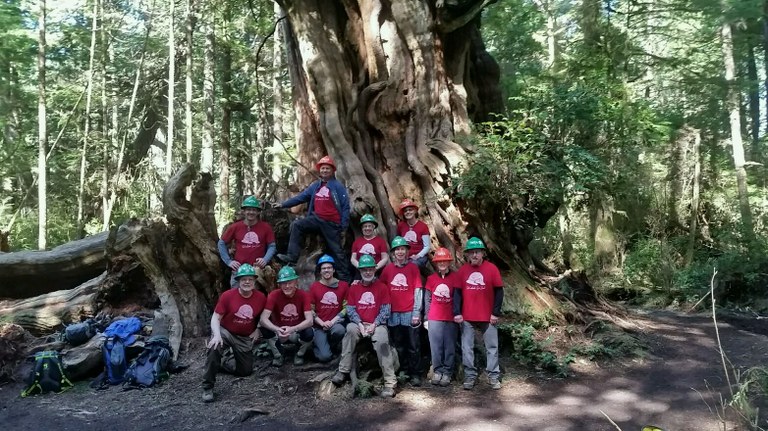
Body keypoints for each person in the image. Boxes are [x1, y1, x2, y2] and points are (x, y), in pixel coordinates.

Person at [331, 255, 398, 398]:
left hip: (377, 324)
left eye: (370, 269)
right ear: (360, 270)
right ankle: (343, 370)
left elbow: (386, 310)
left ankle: (390, 382)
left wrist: (374, 324)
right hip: (359, 324)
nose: (368, 272)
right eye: (365, 270)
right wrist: (360, 324)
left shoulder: (382, 287)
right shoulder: (354, 288)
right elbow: (350, 309)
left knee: (382, 340)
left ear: (374, 269)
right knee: (349, 329)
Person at [274, 156, 350, 281]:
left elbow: (345, 206)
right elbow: (301, 197)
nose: (325, 171)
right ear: (320, 170)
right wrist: (283, 204)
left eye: (327, 168)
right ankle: (292, 257)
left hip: (331, 223)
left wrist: (343, 226)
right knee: (297, 225)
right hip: (316, 219)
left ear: (332, 171)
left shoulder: (337, 186)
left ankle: (345, 279)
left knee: (337, 251)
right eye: (323, 168)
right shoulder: (315, 186)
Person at [202, 264, 266, 402]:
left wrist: (258, 329)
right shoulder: (228, 296)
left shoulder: (261, 297)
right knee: (215, 347)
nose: (247, 282)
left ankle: (222, 363)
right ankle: (208, 387)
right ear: (238, 281)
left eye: (250, 279)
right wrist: (217, 334)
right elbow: (216, 317)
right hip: (226, 331)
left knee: (245, 371)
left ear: (254, 281)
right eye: (243, 279)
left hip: (244, 336)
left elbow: (263, 316)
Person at [454, 237, 504, 390]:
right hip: (467, 316)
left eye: (477, 252)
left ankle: (493, 376)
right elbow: (457, 293)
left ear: (483, 253)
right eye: (471, 253)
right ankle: (470, 375)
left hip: (488, 316)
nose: (474, 255)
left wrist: (495, 313)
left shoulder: (492, 269)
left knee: (492, 346)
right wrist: (457, 312)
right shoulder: (463, 270)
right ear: (467, 255)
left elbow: (499, 292)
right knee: (467, 347)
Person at [379, 236, 424, 386]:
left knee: (413, 345)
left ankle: (415, 373)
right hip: (393, 314)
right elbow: (381, 290)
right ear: (393, 252)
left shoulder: (413, 268)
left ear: (406, 251)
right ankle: (403, 370)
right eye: (397, 249)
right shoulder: (388, 269)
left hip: (410, 312)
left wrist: (416, 312)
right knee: (398, 345)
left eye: (402, 249)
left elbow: (418, 290)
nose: (400, 252)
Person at [259, 266, 314, 366]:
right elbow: (263, 319)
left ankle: (300, 354)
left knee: (309, 332)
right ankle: (278, 355)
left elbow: (310, 320)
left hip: (296, 331)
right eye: (284, 283)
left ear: (296, 282)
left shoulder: (303, 295)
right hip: (279, 331)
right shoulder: (274, 295)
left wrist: (292, 329)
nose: (287, 286)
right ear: (279, 284)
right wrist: (277, 329)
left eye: (290, 282)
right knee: (264, 328)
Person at [218, 196, 276, 289]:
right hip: (239, 269)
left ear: (258, 212)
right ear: (244, 211)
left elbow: (272, 246)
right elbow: (221, 243)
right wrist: (229, 261)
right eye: (248, 209)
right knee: (236, 296)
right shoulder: (235, 227)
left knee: (255, 297)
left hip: (256, 270)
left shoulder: (266, 227)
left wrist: (265, 259)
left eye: (254, 210)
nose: (251, 212)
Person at [424, 247, 458, 386]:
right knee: (436, 346)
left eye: (444, 261)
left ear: (449, 262)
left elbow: (458, 298)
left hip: (451, 317)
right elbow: (427, 299)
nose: (442, 263)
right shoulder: (431, 279)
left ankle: (447, 372)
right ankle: (438, 371)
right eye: (439, 261)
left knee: (449, 346)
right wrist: (426, 318)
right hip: (434, 317)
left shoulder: (456, 277)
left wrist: (458, 314)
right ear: (436, 264)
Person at [309, 254, 349, 362]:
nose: (327, 270)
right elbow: (310, 309)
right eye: (324, 268)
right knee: (325, 357)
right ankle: (317, 346)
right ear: (320, 271)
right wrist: (322, 323)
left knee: (340, 331)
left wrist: (332, 321)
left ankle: (331, 345)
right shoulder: (314, 287)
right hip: (319, 326)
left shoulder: (344, 286)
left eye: (329, 268)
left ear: (334, 269)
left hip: (335, 323)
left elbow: (346, 307)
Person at [396, 199, 431, 267]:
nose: (408, 212)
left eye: (410, 210)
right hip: (404, 256)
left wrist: (417, 256)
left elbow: (427, 246)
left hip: (419, 256)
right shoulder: (401, 225)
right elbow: (398, 242)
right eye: (405, 211)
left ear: (415, 211)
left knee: (412, 265)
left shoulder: (423, 226)